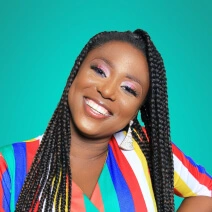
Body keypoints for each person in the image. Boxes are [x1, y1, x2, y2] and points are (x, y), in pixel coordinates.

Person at [0, 29, 211, 212]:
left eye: (129, 89)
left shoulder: (149, 151)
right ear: (77, 70)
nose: (107, 90)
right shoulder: (9, 166)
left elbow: (206, 191)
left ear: (137, 109)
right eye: (100, 71)